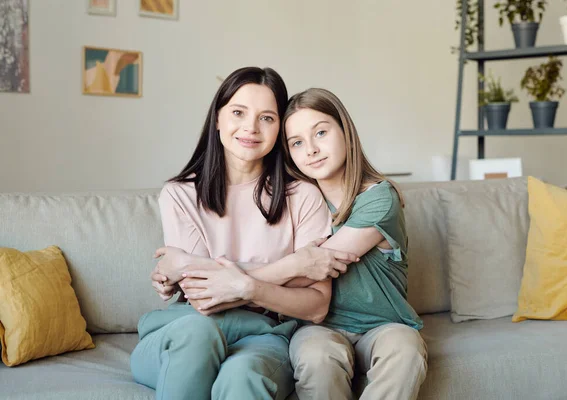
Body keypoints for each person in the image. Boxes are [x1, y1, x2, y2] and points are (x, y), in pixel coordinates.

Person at [180, 88, 428, 400]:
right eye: (297, 142)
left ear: (346, 133)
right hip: (317, 328)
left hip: (384, 326)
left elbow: (312, 269)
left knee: (405, 350)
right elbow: (291, 268)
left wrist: (236, 283)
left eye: (321, 132)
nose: (311, 149)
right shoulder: (296, 202)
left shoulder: (379, 197)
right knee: (316, 358)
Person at [130, 67, 357, 400]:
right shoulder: (179, 195)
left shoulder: (303, 196)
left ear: (279, 128)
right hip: (181, 331)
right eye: (238, 112)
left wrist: (216, 276)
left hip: (264, 338)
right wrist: (293, 267)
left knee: (242, 376)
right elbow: (201, 296)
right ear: (218, 118)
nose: (251, 128)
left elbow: (316, 306)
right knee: (199, 331)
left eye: (267, 118)